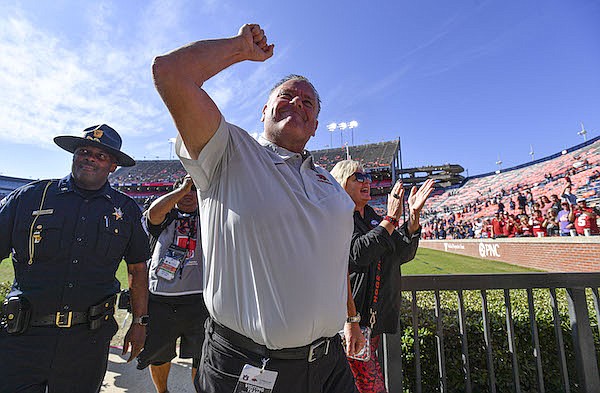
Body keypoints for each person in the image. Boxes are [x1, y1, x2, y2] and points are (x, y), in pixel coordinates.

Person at [153, 24, 360, 393]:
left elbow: (335, 260)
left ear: (314, 127)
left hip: (330, 364)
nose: (297, 102)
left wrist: (352, 319)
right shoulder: (229, 151)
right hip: (249, 365)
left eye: (307, 102)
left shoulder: (331, 186)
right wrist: (238, 48)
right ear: (264, 110)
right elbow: (171, 72)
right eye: (287, 96)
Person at [0, 124, 150, 393]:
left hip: (87, 342)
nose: (90, 158)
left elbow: (138, 269)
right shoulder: (29, 197)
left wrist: (139, 322)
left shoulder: (125, 210)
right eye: (84, 151)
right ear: (73, 155)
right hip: (23, 336)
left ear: (113, 165)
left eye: (101, 155)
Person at [330, 160, 433, 393]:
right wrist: (391, 219)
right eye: (358, 177)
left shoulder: (372, 217)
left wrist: (413, 217)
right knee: (370, 385)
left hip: (371, 321)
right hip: (349, 320)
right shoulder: (337, 216)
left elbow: (401, 253)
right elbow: (358, 253)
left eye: (367, 177)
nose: (367, 181)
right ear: (342, 183)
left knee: (357, 383)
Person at [137, 175, 209, 393]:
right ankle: (163, 391)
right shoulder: (165, 215)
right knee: (159, 354)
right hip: (161, 299)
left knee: (201, 355)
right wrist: (182, 189)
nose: (189, 194)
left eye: (194, 190)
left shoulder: (208, 217)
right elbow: (153, 215)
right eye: (184, 190)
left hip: (200, 299)